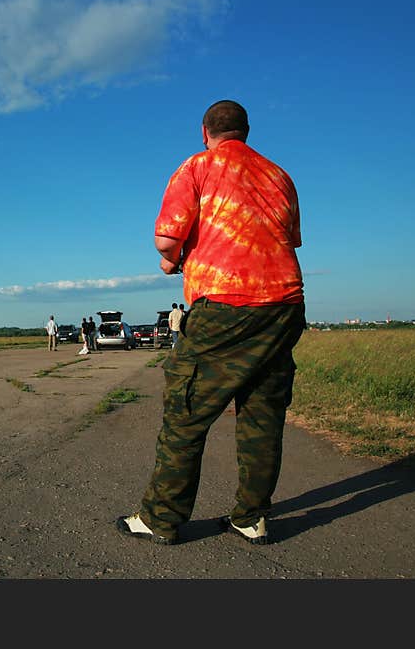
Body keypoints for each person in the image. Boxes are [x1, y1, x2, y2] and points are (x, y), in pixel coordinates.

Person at [116, 100, 305, 546]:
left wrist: (172, 258)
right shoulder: (280, 175)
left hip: (225, 302)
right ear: (246, 132)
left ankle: (160, 517)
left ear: (205, 132)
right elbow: (286, 237)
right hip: (284, 302)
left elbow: (166, 236)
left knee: (186, 412)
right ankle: (250, 517)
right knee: (262, 413)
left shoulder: (198, 166)